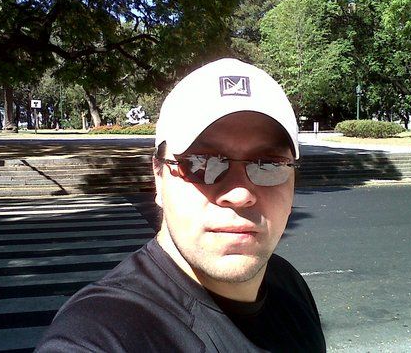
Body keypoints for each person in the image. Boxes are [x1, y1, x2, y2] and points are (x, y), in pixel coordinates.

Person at [36, 58, 326, 352]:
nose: (240, 194)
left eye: (269, 165)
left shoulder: (288, 285)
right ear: (158, 177)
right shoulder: (102, 332)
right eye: (201, 163)